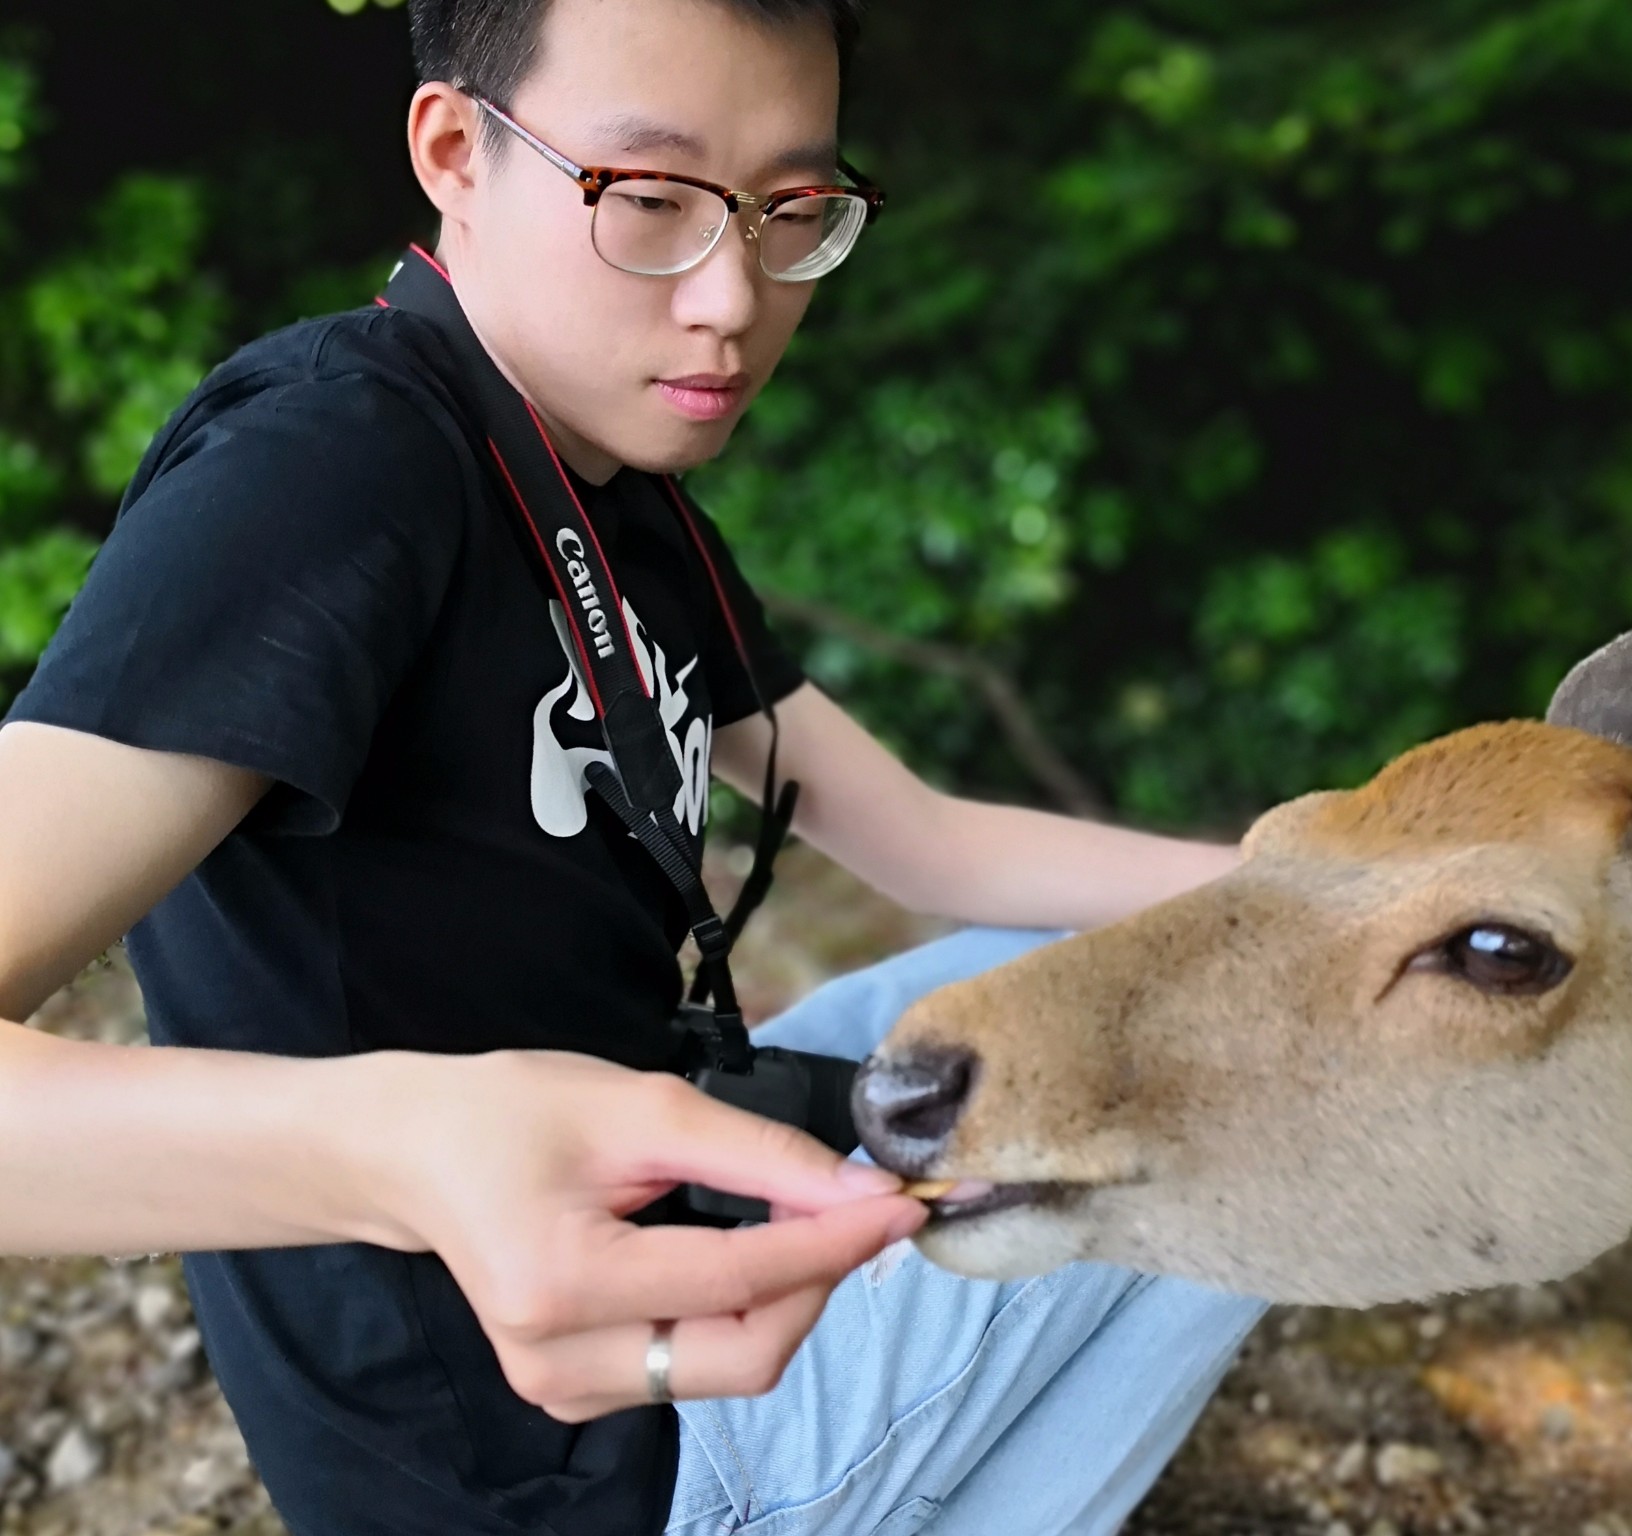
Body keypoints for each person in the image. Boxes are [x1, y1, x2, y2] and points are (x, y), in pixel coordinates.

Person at [0, 0, 1269, 1530]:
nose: (730, 298)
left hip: (687, 1182)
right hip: (566, 1444)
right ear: (454, 151)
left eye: (791, 212)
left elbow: (926, 841)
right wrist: (412, 1146)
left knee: (1188, 980)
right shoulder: (329, 467)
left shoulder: (621, 484)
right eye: (649, 202)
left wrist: (1311, 891)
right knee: (1244, 1096)